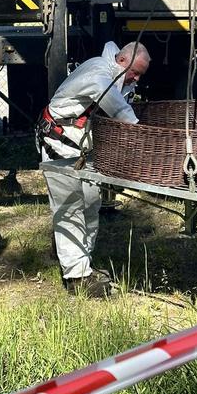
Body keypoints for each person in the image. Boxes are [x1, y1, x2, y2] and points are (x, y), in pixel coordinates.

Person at [37, 41, 151, 297]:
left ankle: (82, 262)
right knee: (69, 208)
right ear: (121, 61)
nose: (135, 78)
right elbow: (120, 111)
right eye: (135, 72)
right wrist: (147, 138)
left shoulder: (115, 73)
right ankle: (77, 277)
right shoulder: (99, 76)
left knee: (90, 203)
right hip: (59, 146)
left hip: (83, 148)